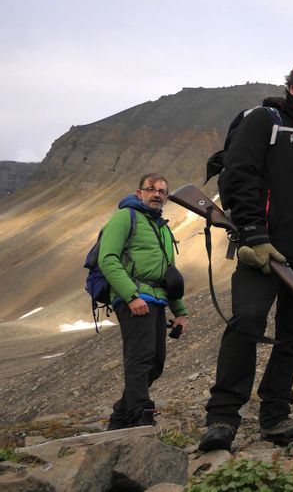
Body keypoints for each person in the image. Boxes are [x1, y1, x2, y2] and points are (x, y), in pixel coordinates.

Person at [199, 54, 293, 451]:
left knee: (292, 338)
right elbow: (238, 175)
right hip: (261, 254)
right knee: (245, 323)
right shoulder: (264, 121)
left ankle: (275, 417)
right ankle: (222, 419)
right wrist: (252, 235)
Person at [99, 173, 188, 430]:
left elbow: (170, 274)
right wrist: (131, 296)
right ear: (139, 193)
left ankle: (120, 417)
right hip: (134, 298)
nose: (157, 194)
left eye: (162, 191)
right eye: (151, 189)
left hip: (158, 300)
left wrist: (180, 312)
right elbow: (108, 259)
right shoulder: (124, 217)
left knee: (156, 362)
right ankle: (140, 413)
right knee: (140, 357)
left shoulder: (161, 226)